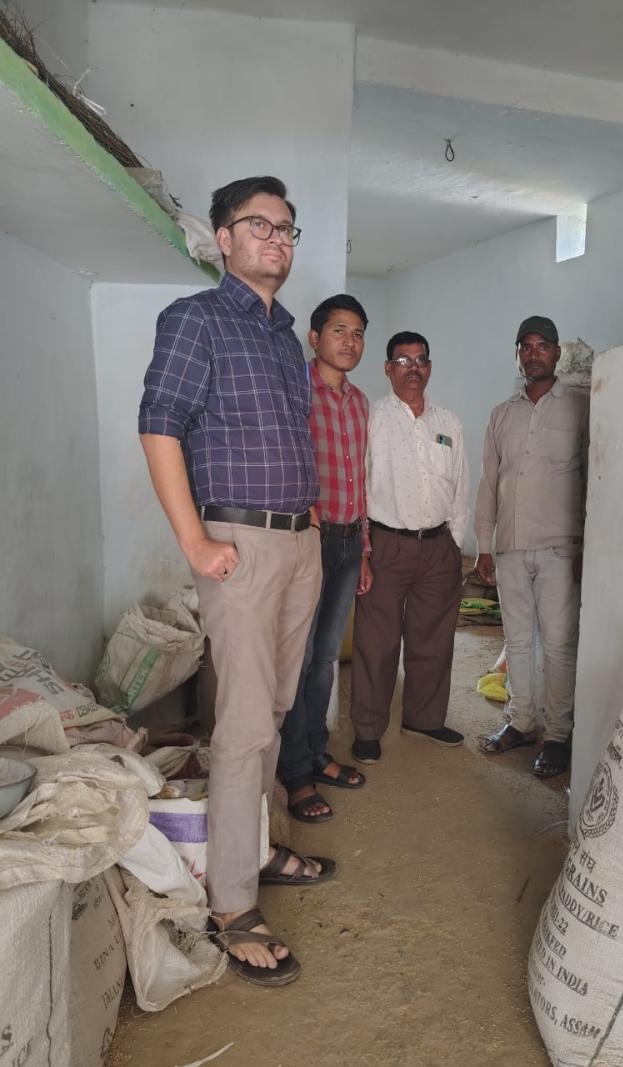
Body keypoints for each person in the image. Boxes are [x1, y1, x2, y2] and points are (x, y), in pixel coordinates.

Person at [139, 176, 334, 989]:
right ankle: (232, 905)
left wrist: (312, 528)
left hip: (298, 542)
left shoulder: (285, 337)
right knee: (246, 723)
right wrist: (194, 539)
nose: (277, 239)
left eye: (287, 228)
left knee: (276, 709)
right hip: (240, 544)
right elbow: (160, 426)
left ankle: (259, 846)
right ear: (223, 240)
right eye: (260, 225)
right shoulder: (196, 319)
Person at [474, 315, 588, 778]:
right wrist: (484, 545)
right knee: (517, 641)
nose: (533, 353)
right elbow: (489, 483)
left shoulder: (580, 407)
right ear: (518, 354)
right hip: (510, 548)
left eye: (543, 346)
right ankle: (521, 722)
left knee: (559, 644)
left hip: (561, 548)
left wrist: (588, 545)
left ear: (557, 352)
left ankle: (558, 735)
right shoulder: (502, 414)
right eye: (526, 346)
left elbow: (593, 478)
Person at [350, 331, 469, 763]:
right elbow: (358, 485)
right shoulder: (372, 419)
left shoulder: (448, 422)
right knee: (377, 644)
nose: (412, 368)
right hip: (386, 544)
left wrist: (455, 544)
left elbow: (461, 484)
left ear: (430, 367)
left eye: (420, 360)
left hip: (438, 546)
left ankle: (425, 718)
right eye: (402, 361)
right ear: (388, 369)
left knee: (433, 640)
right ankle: (367, 728)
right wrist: (363, 550)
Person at [278, 294, 373, 822]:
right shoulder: (296, 390)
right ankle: (294, 772)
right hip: (307, 538)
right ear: (314, 338)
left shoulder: (359, 403)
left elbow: (362, 482)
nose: (349, 341)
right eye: (339, 330)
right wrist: (309, 520)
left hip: (348, 543)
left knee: (325, 658)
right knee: (297, 658)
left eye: (357, 333)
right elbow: (286, 461)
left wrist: (365, 550)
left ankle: (316, 753)